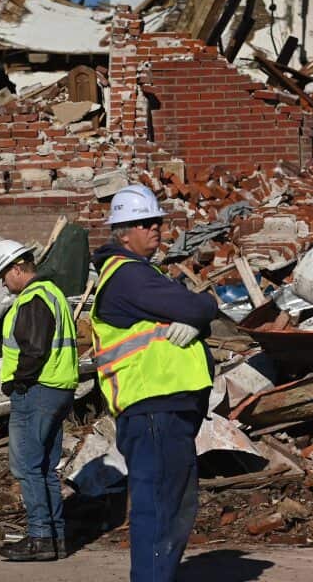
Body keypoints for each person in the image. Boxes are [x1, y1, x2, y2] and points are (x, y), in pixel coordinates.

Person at [90, 184, 217, 582]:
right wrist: (200, 311)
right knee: (162, 509)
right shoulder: (129, 276)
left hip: (162, 409)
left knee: (167, 508)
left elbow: (193, 308)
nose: (155, 229)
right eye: (145, 223)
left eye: (157, 222)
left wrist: (195, 314)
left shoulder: (142, 274)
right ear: (122, 233)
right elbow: (200, 304)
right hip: (154, 409)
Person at [0, 239, 78, 562]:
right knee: (44, 468)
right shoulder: (53, 293)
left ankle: (41, 538)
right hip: (59, 389)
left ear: (17, 268)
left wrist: (16, 383)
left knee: (28, 467)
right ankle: (55, 538)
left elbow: (35, 350)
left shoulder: (32, 299)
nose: (3, 282)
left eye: (3, 274)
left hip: (37, 391)